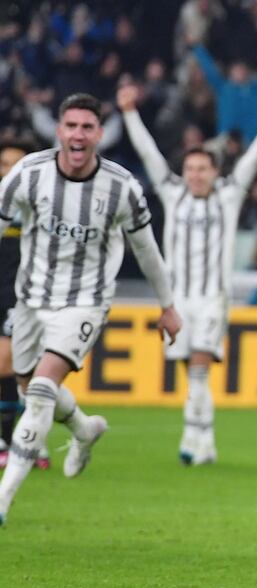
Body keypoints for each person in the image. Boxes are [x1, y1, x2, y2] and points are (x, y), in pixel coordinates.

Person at [0, 93, 181, 525]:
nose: (78, 135)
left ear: (99, 134)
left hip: (85, 301)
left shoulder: (122, 188)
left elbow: (147, 250)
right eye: (71, 126)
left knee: (40, 392)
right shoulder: (28, 173)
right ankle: (83, 429)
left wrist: (168, 305)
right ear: (59, 131)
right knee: (28, 386)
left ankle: (3, 499)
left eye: (87, 127)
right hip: (31, 300)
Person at [118, 85, 257, 466]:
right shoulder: (172, 193)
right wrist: (129, 114)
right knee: (191, 371)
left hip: (212, 298)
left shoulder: (228, 195)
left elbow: (253, 161)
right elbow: (149, 153)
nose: (195, 175)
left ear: (214, 172)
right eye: (190, 169)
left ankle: (192, 438)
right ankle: (205, 442)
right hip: (177, 300)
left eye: (202, 169)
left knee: (198, 369)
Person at [0, 141, 37, 470]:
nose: (9, 170)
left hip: (22, 294)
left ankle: (13, 440)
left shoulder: (37, 204)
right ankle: (27, 442)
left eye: (17, 164)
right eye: (4, 163)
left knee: (9, 363)